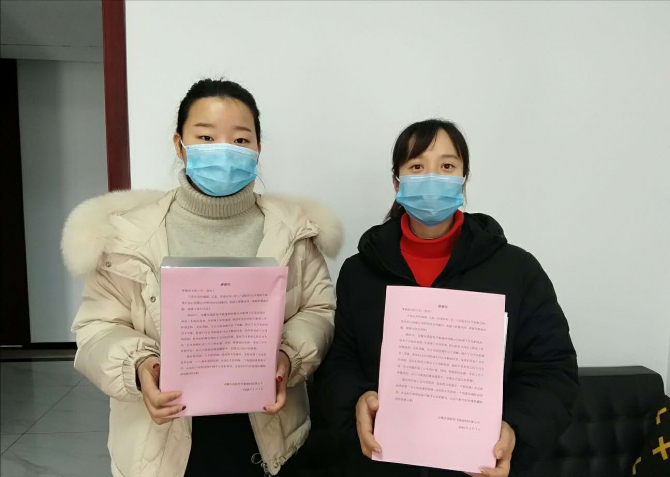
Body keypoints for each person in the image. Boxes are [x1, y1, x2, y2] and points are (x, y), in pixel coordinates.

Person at [61, 79, 342, 477]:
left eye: (240, 140)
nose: (224, 150)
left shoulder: (293, 231)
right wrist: (140, 366)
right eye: (206, 137)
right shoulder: (129, 235)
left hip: (268, 431)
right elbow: (97, 327)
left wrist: (287, 356)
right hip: (162, 441)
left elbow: (318, 310)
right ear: (180, 145)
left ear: (258, 149)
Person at [314, 119, 579, 477]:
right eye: (417, 166)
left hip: (476, 466)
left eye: (447, 166)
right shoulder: (360, 272)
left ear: (463, 179)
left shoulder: (517, 270)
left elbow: (551, 370)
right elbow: (339, 361)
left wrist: (515, 429)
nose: (432, 178)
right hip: (382, 463)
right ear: (397, 182)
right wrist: (355, 401)